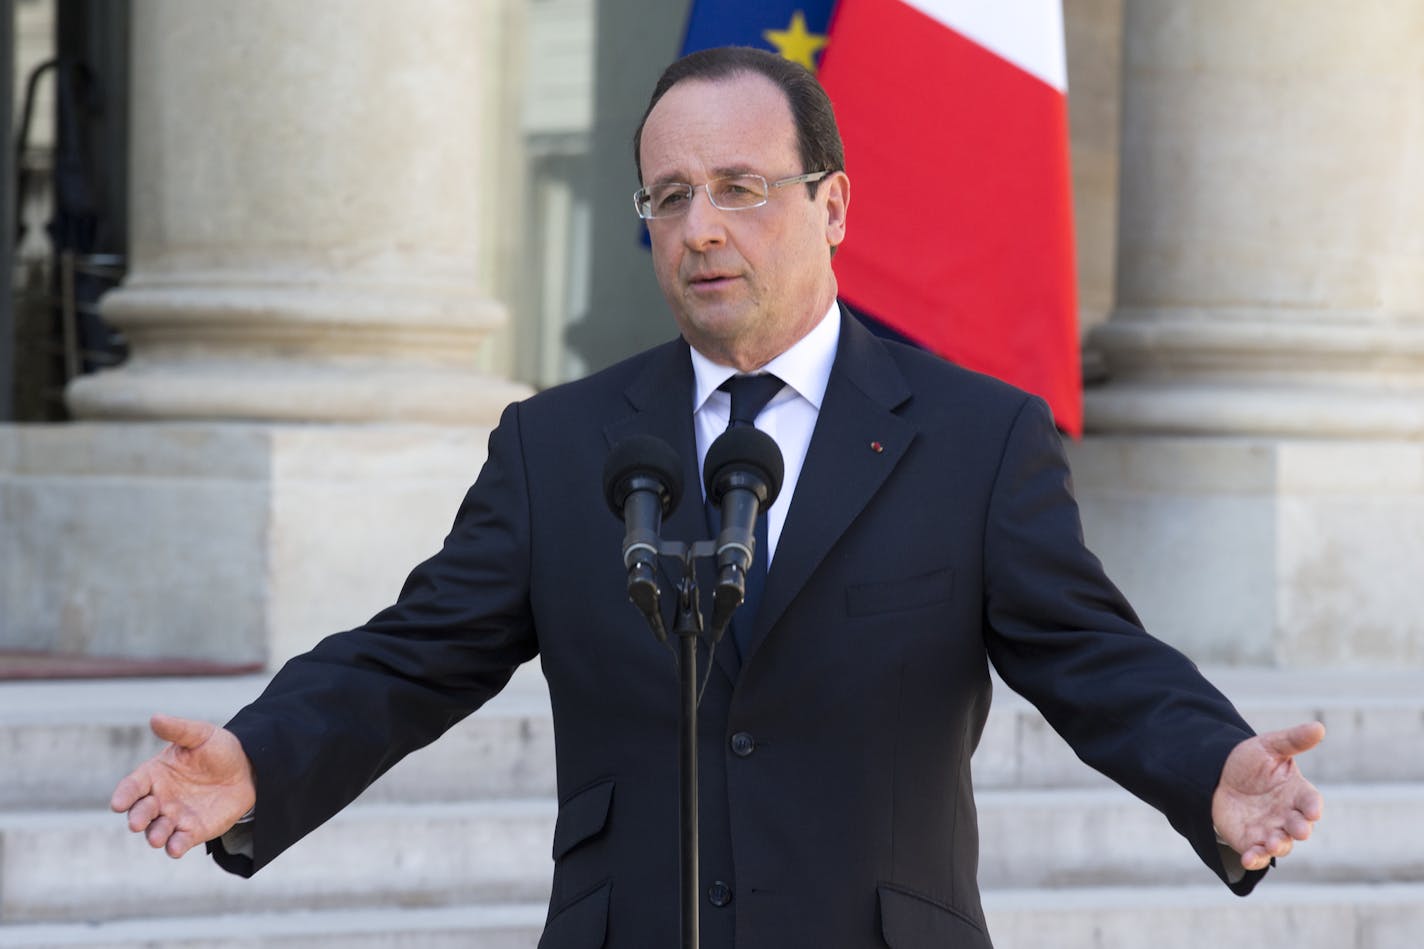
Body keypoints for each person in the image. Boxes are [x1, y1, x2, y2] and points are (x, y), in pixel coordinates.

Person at [112, 47, 1325, 949]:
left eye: (741, 187)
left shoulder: (970, 438)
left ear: (831, 206)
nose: (701, 229)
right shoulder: (559, 444)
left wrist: (1210, 767)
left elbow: (1090, 655)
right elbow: (412, 655)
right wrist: (256, 760)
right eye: (670, 196)